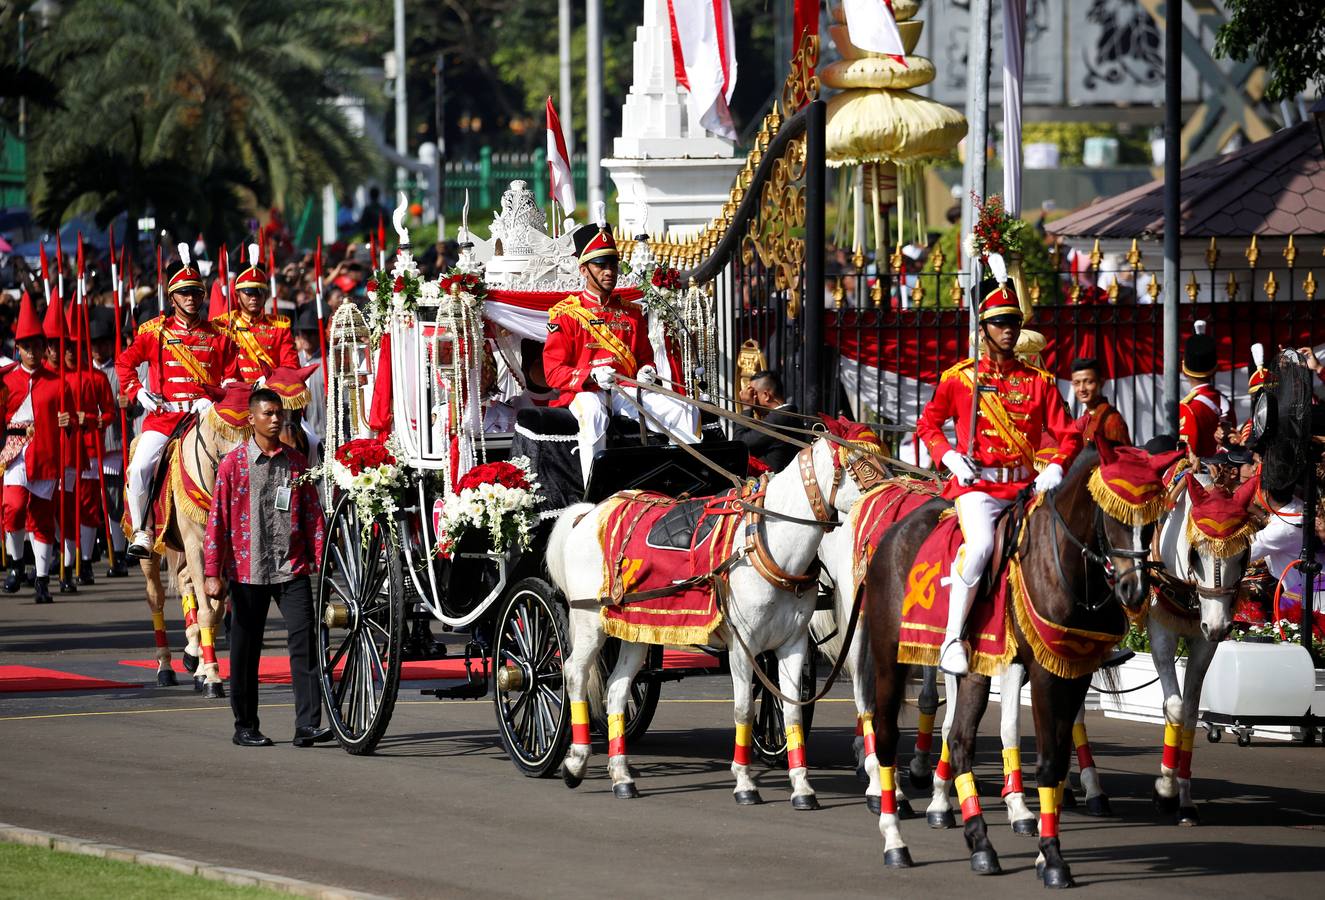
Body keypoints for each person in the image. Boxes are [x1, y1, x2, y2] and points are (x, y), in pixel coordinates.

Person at [916, 261, 1082, 676]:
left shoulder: (1040, 382)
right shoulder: (961, 379)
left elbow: (1070, 436)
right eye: (1000, 322)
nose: (1009, 330)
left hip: (1026, 489)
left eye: (1013, 322)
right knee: (982, 549)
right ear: (984, 328)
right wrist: (949, 456)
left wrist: (1058, 467)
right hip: (979, 491)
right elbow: (928, 423)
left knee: (1070, 543)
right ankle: (953, 638)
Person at [203, 388, 329, 748]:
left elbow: (311, 514)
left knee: (305, 643)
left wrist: (321, 558)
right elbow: (217, 520)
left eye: (279, 413)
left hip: (291, 567)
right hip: (247, 571)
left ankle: (307, 724)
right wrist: (213, 572)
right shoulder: (233, 464)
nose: (276, 419)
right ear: (251, 419)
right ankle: (245, 725)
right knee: (245, 650)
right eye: (268, 414)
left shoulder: (296, 462)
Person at [542, 220, 699, 484]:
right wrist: (591, 376)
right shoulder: (565, 315)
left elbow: (644, 358)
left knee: (681, 408)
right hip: (585, 391)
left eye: (612, 264)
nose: (608, 271)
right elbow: (554, 373)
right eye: (600, 265)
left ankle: (688, 481)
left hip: (627, 390)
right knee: (592, 413)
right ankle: (595, 491)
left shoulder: (632, 312)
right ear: (583, 270)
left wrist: (647, 370)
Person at [118, 246, 240, 559]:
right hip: (164, 418)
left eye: (196, 292)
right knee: (140, 467)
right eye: (184, 292)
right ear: (172, 297)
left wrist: (213, 398)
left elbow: (231, 376)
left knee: (240, 463)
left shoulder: (219, 336)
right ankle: (143, 532)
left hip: (204, 418)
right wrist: (138, 391)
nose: (191, 298)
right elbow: (124, 364)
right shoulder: (154, 332)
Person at [1, 293, 73, 603]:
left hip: (45, 458)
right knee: (13, 509)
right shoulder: (6, 382)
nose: (32, 351)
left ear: (44, 347)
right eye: (26, 346)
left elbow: (70, 425)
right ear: (17, 349)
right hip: (14, 456)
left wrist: (68, 421)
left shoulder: (58, 383)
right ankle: (16, 565)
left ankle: (42, 580)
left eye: (37, 345)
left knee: (42, 520)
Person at [210, 249, 299, 384]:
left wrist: (273, 378)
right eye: (248, 293)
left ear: (265, 295)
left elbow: (290, 365)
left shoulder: (279, 327)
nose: (254, 298)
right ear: (238, 295)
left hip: (270, 393)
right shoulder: (224, 325)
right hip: (236, 395)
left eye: (258, 294)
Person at [89, 307, 129, 576]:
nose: (100, 348)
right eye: (96, 343)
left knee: (114, 501)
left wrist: (128, 402)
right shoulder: (82, 373)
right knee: (91, 502)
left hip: (113, 444)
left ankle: (117, 550)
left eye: (104, 342)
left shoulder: (119, 370)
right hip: (89, 446)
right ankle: (90, 550)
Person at [1178, 320, 1233, 459]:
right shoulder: (1225, 403)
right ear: (1214, 369)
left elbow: (1187, 458)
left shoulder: (1188, 407)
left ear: (1184, 368)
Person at [732, 369, 799, 472]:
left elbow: (739, 445)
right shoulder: (788, 414)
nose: (752, 400)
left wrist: (746, 408)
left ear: (766, 396)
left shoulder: (778, 419)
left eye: (753, 395)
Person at [1069, 357, 1131, 445]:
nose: (1082, 389)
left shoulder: (1112, 420)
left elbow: (1123, 457)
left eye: (1089, 382)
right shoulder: (1087, 415)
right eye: (1077, 383)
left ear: (1101, 382)